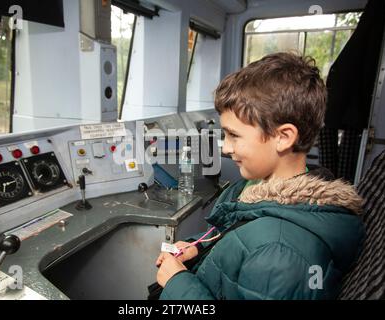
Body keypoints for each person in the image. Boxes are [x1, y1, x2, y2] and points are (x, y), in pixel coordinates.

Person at [155, 52, 365, 300]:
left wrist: (177, 284)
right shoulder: (255, 186)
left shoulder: (281, 255)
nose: (225, 147)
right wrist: (197, 246)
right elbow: (232, 233)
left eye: (234, 135)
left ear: (283, 137)